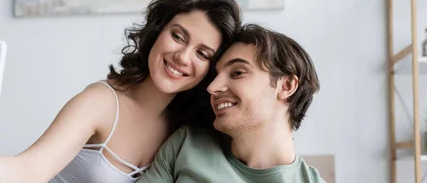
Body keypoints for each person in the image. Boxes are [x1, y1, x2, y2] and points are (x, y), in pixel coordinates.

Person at [0, 0, 241, 182]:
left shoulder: (186, 130)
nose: (182, 57)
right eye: (178, 36)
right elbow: (29, 170)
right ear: (158, 31)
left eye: (203, 53)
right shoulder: (102, 103)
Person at [137, 24, 326, 183]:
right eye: (215, 76)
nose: (212, 87)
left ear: (286, 85)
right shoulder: (186, 145)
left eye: (237, 73)